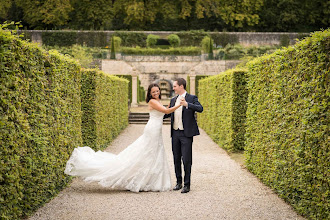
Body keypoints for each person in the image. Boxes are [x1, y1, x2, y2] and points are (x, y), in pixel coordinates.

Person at [64, 83, 182, 192]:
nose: (156, 93)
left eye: (157, 91)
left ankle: (150, 180)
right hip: (152, 129)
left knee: (153, 153)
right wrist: (178, 104)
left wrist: (174, 102)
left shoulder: (157, 100)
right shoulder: (152, 101)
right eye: (154, 92)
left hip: (156, 129)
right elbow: (166, 111)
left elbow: (164, 109)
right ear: (150, 94)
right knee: (148, 152)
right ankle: (143, 180)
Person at [164, 78, 203, 193]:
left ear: (181, 86)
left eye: (175, 86)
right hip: (175, 133)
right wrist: (157, 114)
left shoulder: (192, 98)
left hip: (186, 134)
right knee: (176, 159)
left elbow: (200, 109)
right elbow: (167, 113)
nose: (173, 88)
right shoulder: (173, 99)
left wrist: (187, 104)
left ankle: (187, 184)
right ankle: (178, 182)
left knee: (186, 160)